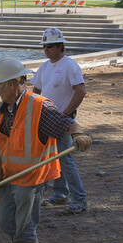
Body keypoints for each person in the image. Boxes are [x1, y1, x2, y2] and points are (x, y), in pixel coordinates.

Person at [0, 57, 92, 243]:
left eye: (0, 85)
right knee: (8, 224)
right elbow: (0, 147)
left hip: (33, 178)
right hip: (9, 177)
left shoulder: (39, 106)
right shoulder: (0, 110)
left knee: (25, 228)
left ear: (15, 83)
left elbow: (68, 123)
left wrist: (80, 135)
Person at [32, 28, 89, 214]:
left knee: (64, 159)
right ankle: (61, 194)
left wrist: (65, 114)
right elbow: (36, 91)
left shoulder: (70, 66)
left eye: (50, 46)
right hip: (48, 119)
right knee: (54, 158)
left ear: (60, 46)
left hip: (63, 120)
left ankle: (79, 199)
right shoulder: (45, 66)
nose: (46, 49)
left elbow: (80, 90)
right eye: (44, 46)